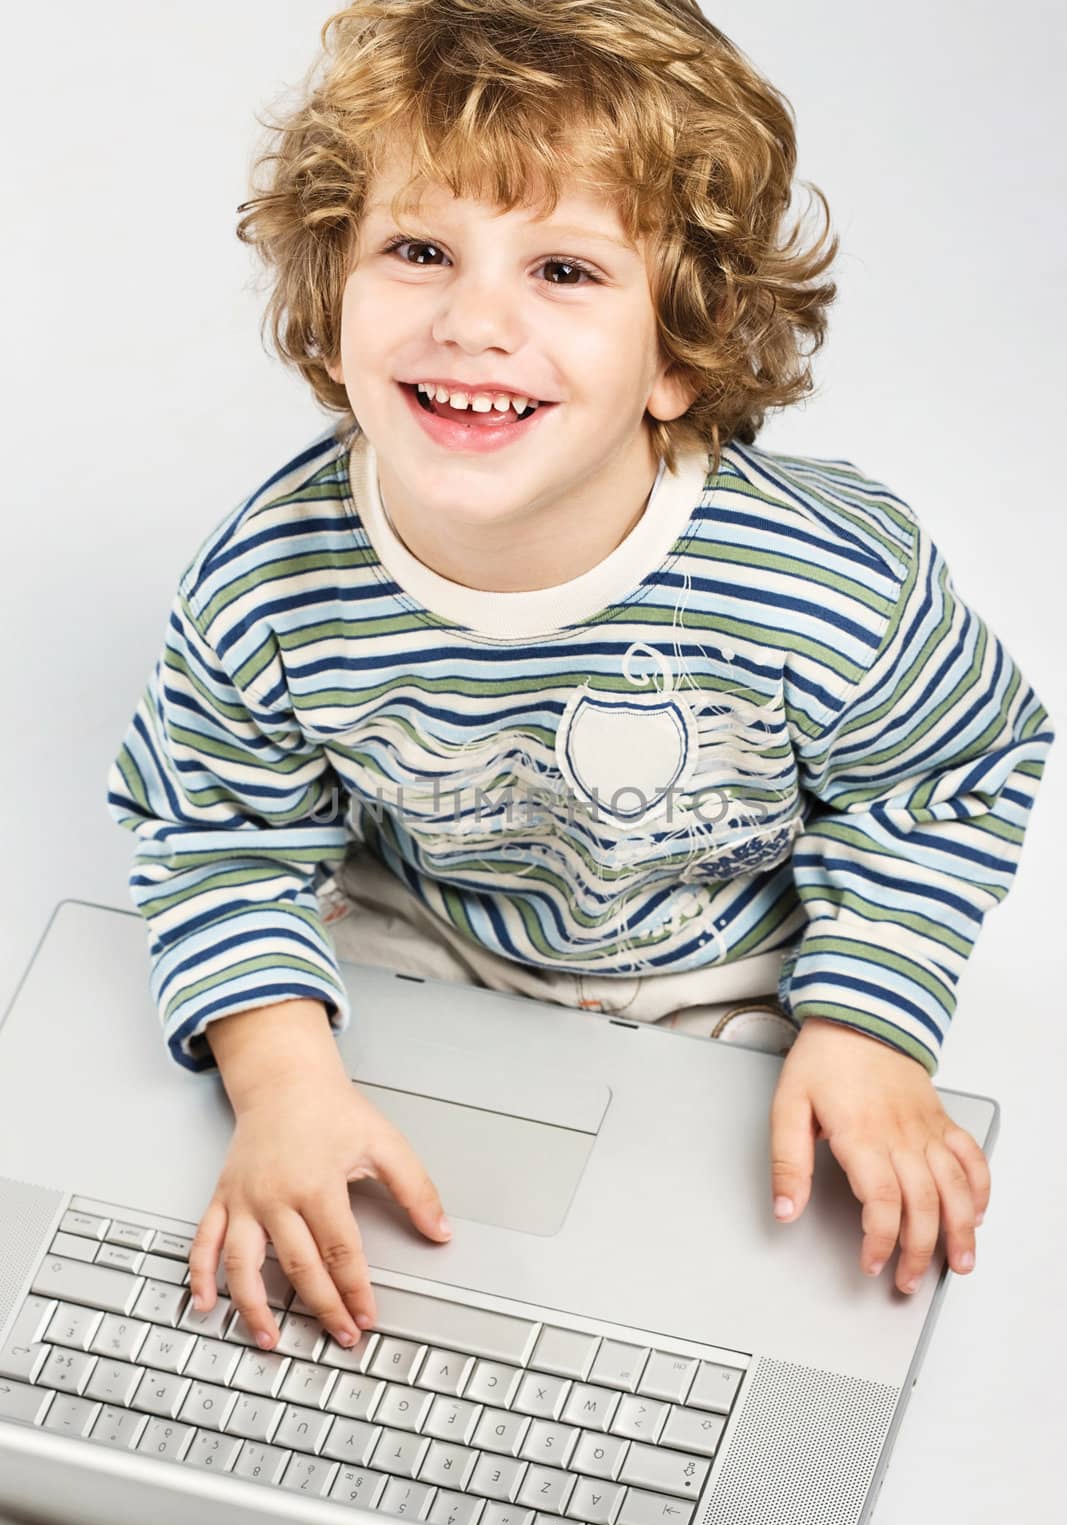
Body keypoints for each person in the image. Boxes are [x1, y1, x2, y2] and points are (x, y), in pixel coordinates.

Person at [106, 0, 1054, 1360]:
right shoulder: (271, 580)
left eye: (563, 271)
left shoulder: (829, 579)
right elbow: (210, 826)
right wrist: (280, 1079)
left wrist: (868, 1025)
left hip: (726, 966)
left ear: (677, 351)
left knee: (726, 1305)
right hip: (431, 936)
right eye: (419, 248)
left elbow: (950, 775)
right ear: (331, 307)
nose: (473, 319)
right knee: (317, 1299)